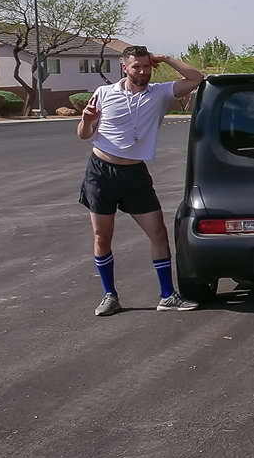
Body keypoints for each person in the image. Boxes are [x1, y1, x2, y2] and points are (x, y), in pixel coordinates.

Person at [77, 45, 204, 316]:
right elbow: (84, 134)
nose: (142, 71)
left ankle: (167, 296)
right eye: (136, 66)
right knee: (102, 235)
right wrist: (87, 121)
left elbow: (196, 78)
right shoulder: (104, 93)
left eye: (146, 66)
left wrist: (167, 58)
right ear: (124, 67)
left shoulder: (160, 93)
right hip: (101, 172)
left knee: (157, 232)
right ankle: (110, 295)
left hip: (135, 173)